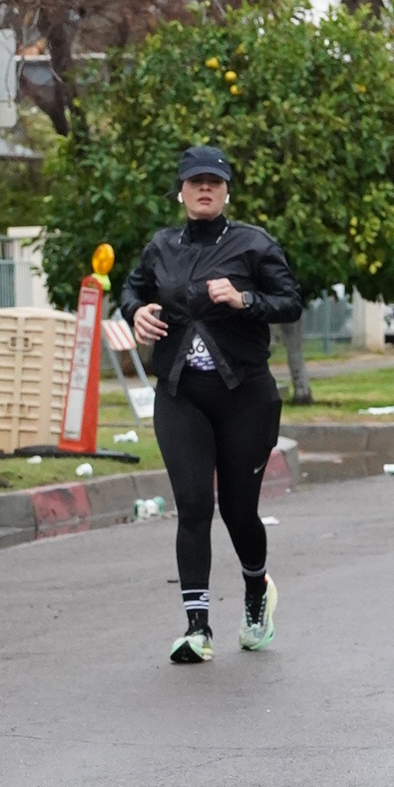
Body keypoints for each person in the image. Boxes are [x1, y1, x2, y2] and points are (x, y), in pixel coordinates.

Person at [114, 144, 304, 665]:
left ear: (226, 192)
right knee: (194, 505)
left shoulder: (253, 244)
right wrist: (136, 311)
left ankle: (256, 591)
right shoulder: (162, 246)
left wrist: (244, 300)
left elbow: (291, 302)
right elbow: (131, 290)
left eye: (214, 182)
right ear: (181, 191)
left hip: (245, 396)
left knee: (238, 511)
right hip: (182, 393)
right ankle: (197, 628)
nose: (204, 189)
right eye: (195, 181)